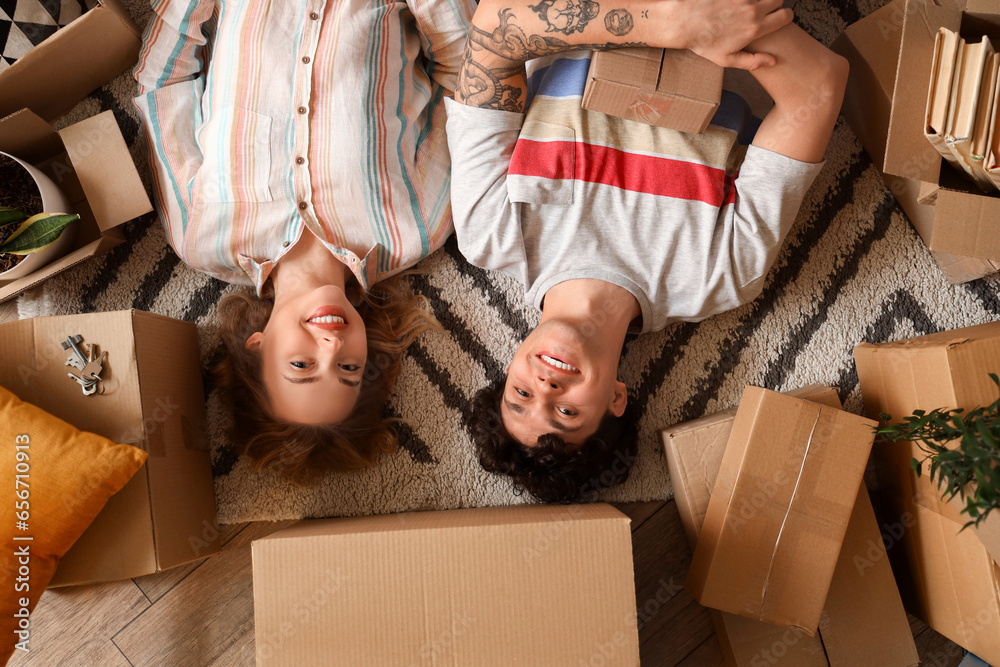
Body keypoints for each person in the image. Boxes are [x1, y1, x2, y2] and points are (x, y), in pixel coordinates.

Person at [448, 0, 848, 501]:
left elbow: (494, 32)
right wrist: (711, 15)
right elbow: (820, 84)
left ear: (510, 367)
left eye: (522, 395)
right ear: (616, 399)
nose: (547, 388)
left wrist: (674, 22)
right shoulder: (718, 277)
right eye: (568, 413)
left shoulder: (489, 233)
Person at [133, 0, 474, 480]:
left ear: (256, 346)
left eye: (302, 364)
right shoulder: (416, 230)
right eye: (349, 370)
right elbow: (464, 88)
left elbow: (163, 88)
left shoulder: (200, 237)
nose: (333, 345)